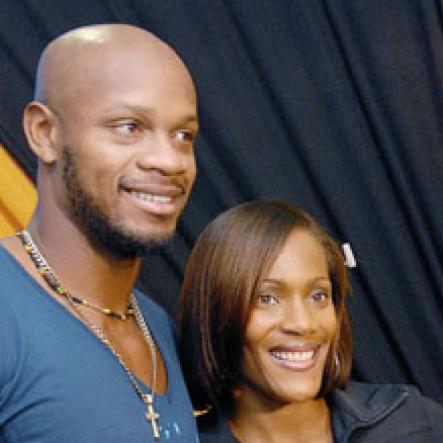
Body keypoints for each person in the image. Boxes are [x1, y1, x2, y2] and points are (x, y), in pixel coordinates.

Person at [0, 24, 200, 442]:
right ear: (45, 134)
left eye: (183, 136)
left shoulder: (158, 328)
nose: (169, 160)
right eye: (129, 127)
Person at [178, 200, 443, 442]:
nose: (303, 323)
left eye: (318, 295)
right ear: (215, 313)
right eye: (267, 298)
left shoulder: (411, 423)